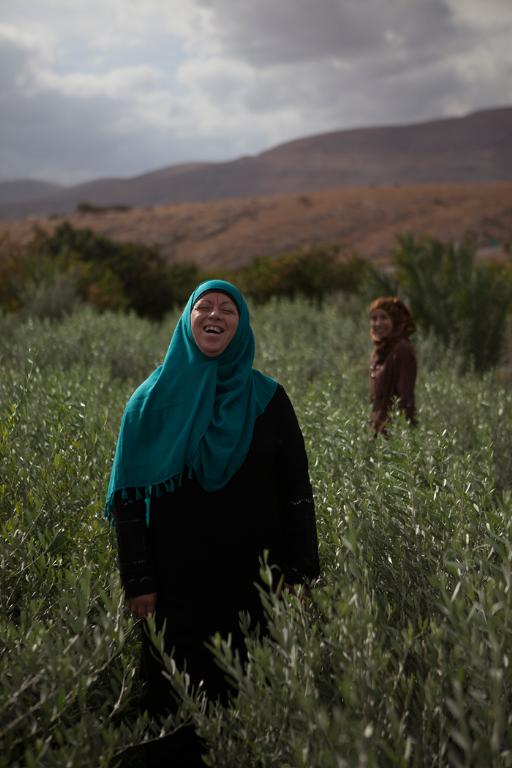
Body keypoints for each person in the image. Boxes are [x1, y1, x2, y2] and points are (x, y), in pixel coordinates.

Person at [105, 279, 320, 767]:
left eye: (228, 308)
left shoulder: (269, 399)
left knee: (248, 696)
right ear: (188, 320)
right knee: (173, 701)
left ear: (241, 325)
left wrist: (300, 572)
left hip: (254, 582)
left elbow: (296, 492)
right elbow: (129, 500)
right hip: (174, 589)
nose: (214, 315)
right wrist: (138, 579)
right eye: (204, 307)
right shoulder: (149, 401)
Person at [369, 296, 417, 434]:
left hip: (393, 434)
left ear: (395, 320)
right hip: (376, 430)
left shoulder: (402, 350)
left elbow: (406, 398)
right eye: (374, 318)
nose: (378, 323)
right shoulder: (379, 352)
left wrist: (405, 435)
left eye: (384, 317)